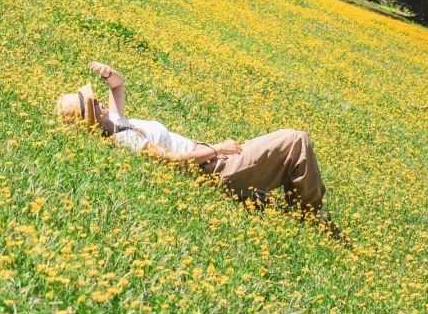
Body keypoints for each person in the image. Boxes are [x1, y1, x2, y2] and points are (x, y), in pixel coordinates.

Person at [55, 62, 333, 223]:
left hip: (211, 156)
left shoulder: (116, 121)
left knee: (289, 146)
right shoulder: (122, 138)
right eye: (94, 103)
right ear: (91, 118)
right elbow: (168, 160)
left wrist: (108, 73)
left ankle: (301, 210)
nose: (99, 99)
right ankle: (311, 214)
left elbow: (117, 85)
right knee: (296, 140)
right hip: (213, 168)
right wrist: (218, 149)